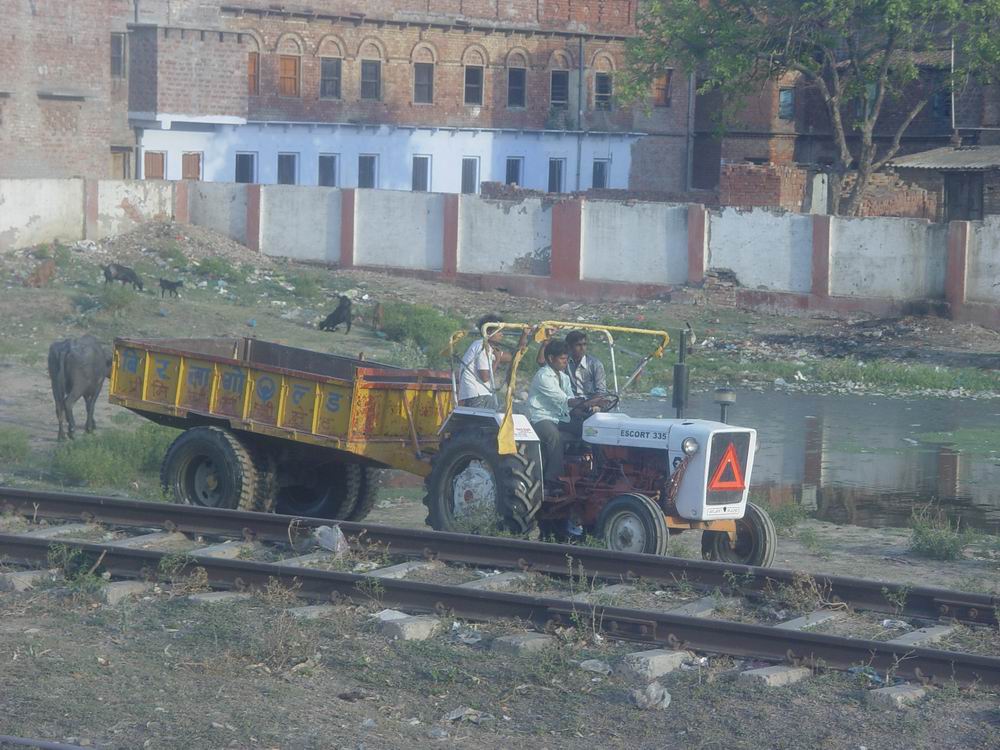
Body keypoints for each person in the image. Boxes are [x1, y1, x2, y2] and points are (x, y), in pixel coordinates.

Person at [528, 339, 597, 495]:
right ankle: (553, 481)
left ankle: (592, 471)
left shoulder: (564, 377)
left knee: (591, 429)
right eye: (562, 359)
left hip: (560, 417)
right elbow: (563, 399)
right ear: (551, 358)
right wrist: (586, 402)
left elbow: (571, 402)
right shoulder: (543, 376)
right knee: (555, 437)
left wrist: (590, 409)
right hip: (541, 417)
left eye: (567, 359)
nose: (566, 362)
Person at [457, 314, 529, 408]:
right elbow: (485, 377)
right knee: (517, 409)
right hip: (477, 397)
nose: (501, 335)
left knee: (515, 407)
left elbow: (514, 357)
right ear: (488, 332)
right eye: (499, 332)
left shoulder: (489, 348)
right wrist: (497, 360)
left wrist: (524, 335)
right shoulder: (482, 347)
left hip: (481, 396)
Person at [536, 330, 607, 398]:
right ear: (569, 347)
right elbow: (541, 362)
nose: (582, 348)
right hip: (569, 401)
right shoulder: (563, 362)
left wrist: (594, 404)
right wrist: (545, 344)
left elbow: (601, 391)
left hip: (591, 401)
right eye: (578, 345)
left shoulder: (595, 364)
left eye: (584, 344)